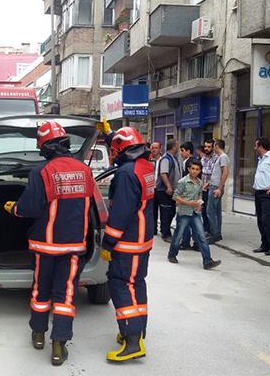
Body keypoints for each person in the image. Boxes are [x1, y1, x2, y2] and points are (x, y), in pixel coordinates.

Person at [3, 120, 94, 366]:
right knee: (65, 295)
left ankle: (38, 335)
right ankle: (58, 346)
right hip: (74, 245)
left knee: (40, 291)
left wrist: (14, 209)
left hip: (45, 246)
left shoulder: (41, 171)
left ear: (44, 147)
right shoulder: (84, 171)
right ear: (65, 143)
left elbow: (30, 208)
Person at [98, 122, 154, 362]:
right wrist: (110, 134)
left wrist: (108, 244)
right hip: (143, 239)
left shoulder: (125, 174)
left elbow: (120, 213)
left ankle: (132, 343)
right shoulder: (144, 166)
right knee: (136, 284)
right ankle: (136, 332)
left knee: (120, 284)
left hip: (128, 240)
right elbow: (124, 148)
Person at [167, 159, 221, 270]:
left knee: (201, 236)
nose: (195, 171)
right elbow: (175, 197)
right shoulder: (183, 181)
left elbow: (199, 194)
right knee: (178, 235)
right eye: (193, 169)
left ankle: (207, 261)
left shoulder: (200, 182)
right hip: (183, 213)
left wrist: (199, 203)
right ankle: (172, 254)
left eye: (197, 169)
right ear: (188, 169)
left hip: (195, 213)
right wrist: (189, 203)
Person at [206, 139, 229, 244]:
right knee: (216, 211)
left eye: (214, 146)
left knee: (210, 211)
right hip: (213, 185)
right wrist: (209, 183)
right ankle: (217, 232)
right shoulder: (220, 157)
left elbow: (225, 173)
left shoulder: (223, 157)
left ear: (216, 146)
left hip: (216, 187)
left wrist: (219, 188)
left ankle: (215, 233)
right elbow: (217, 173)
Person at [157, 140, 179, 243]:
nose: (178, 147)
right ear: (173, 147)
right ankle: (165, 233)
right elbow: (163, 173)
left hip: (172, 191)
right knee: (166, 212)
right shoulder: (166, 159)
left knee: (171, 211)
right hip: (165, 191)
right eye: (177, 145)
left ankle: (166, 231)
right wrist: (168, 186)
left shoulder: (173, 158)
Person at [178, 142, 195, 249]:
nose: (181, 153)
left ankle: (185, 242)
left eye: (182, 151)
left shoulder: (188, 162)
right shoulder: (195, 161)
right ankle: (195, 243)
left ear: (188, 151)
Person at [201, 139, 218, 235]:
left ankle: (212, 230)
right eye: (205, 146)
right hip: (202, 188)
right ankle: (206, 228)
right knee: (203, 209)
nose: (206, 148)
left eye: (208, 147)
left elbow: (214, 173)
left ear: (213, 147)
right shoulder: (203, 158)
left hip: (210, 188)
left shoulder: (216, 158)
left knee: (210, 210)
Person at [149, 141, 162, 236]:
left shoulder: (164, 160)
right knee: (152, 210)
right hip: (151, 189)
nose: (154, 149)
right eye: (152, 148)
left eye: (156, 148)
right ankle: (153, 229)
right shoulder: (148, 160)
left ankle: (164, 229)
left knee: (163, 210)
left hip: (161, 188)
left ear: (160, 149)